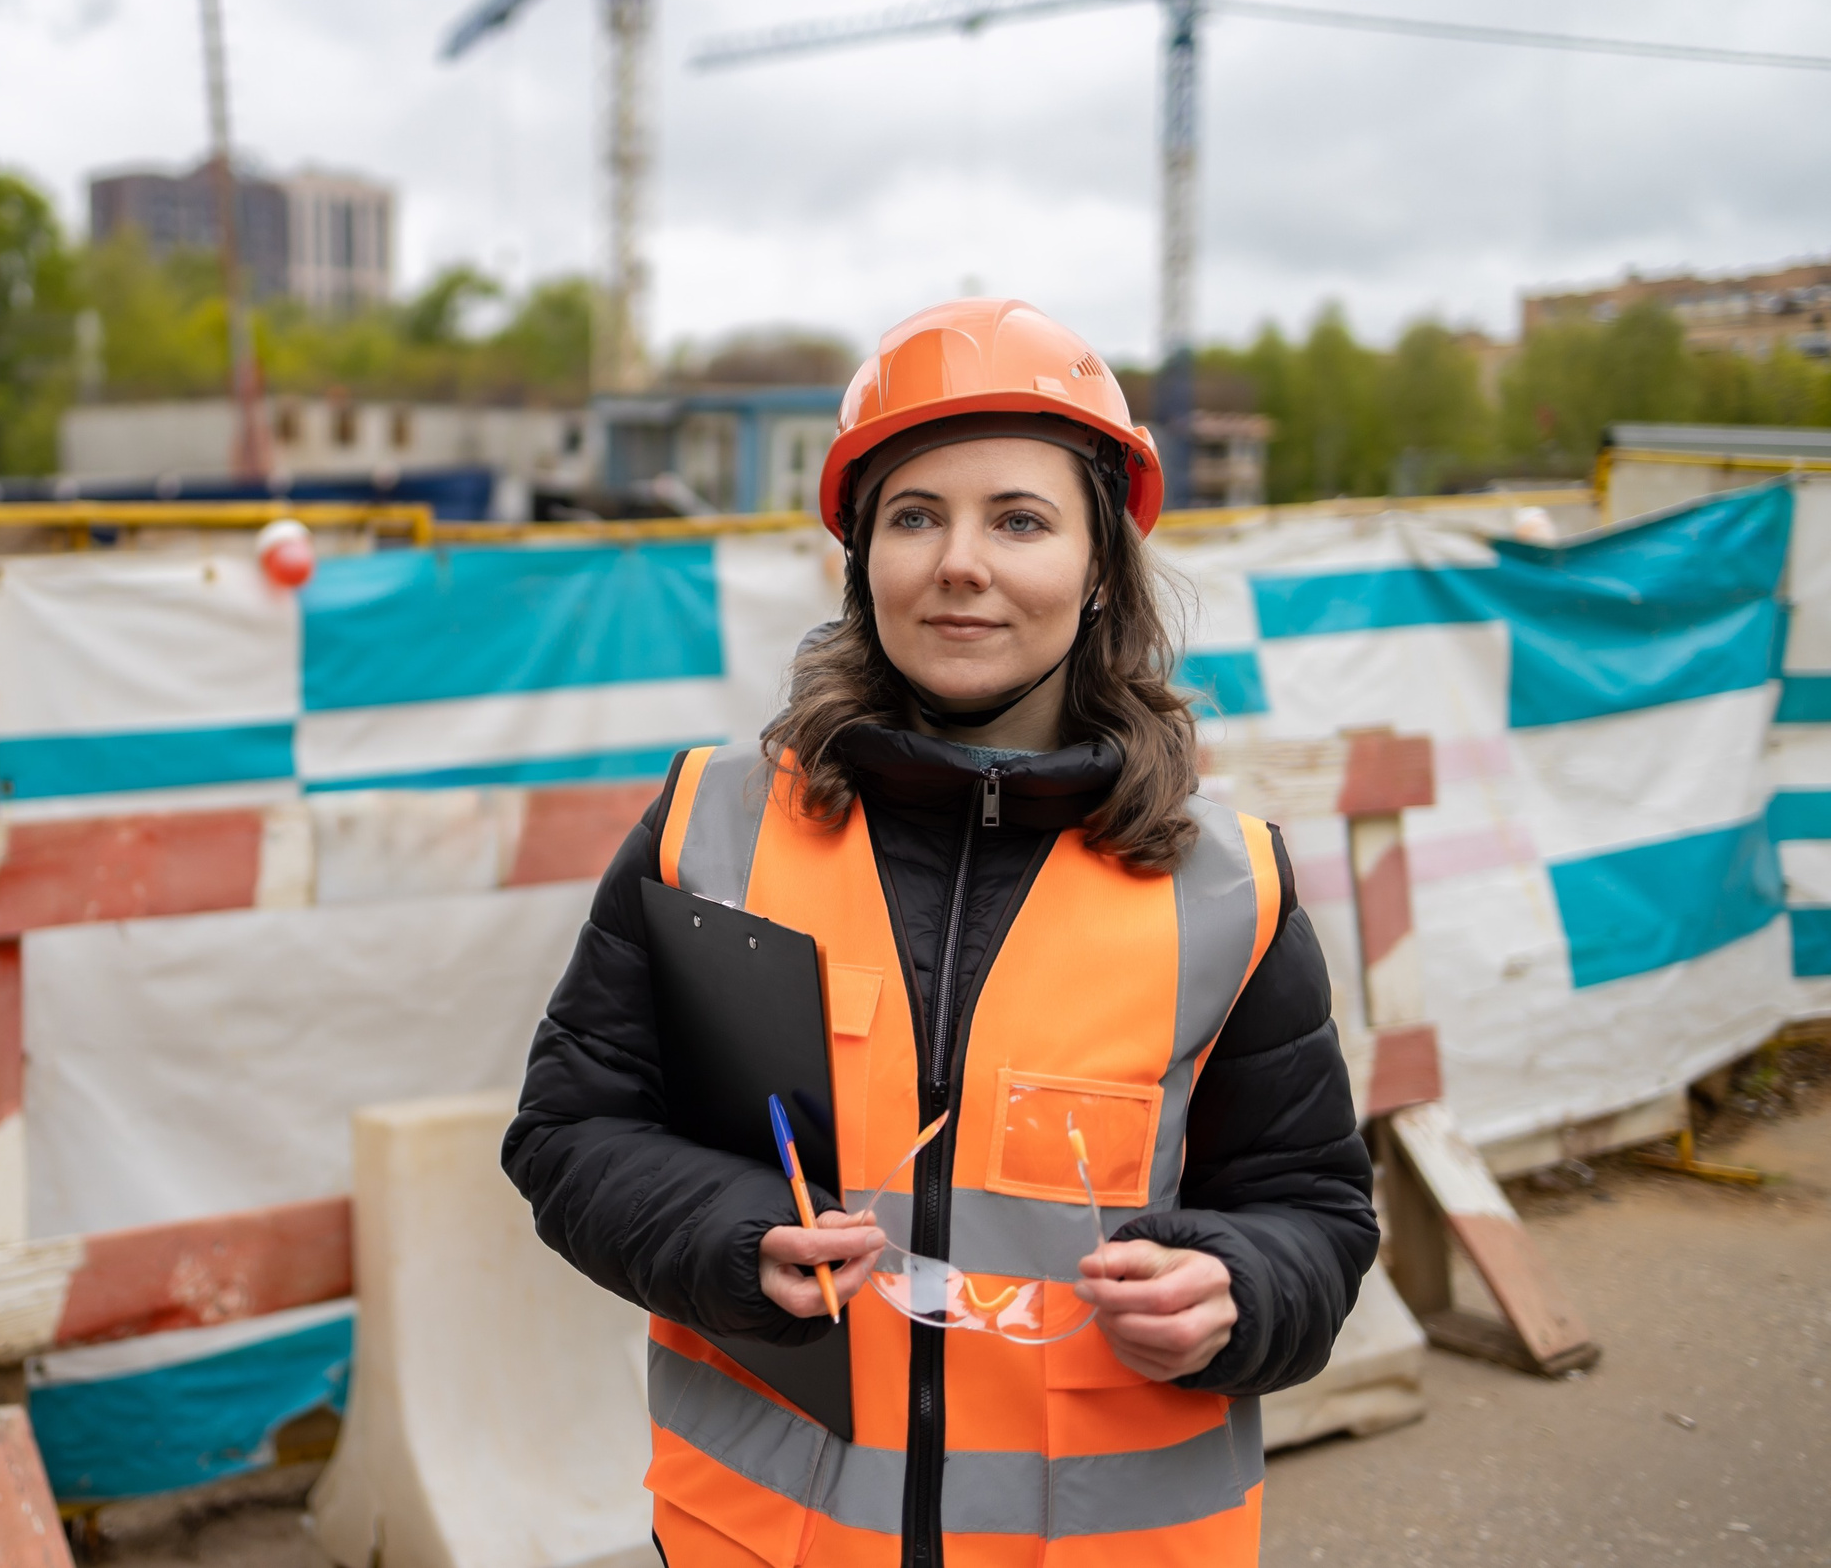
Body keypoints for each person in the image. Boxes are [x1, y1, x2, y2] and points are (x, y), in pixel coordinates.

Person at [503, 299, 1378, 1568]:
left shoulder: (1225, 886)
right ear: (863, 561)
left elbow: (1313, 1212)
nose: (958, 562)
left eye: (1018, 519)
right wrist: (731, 1241)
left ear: (1097, 571)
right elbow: (569, 1131)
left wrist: (1240, 1291)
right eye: (915, 516)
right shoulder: (713, 829)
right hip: (764, 1542)